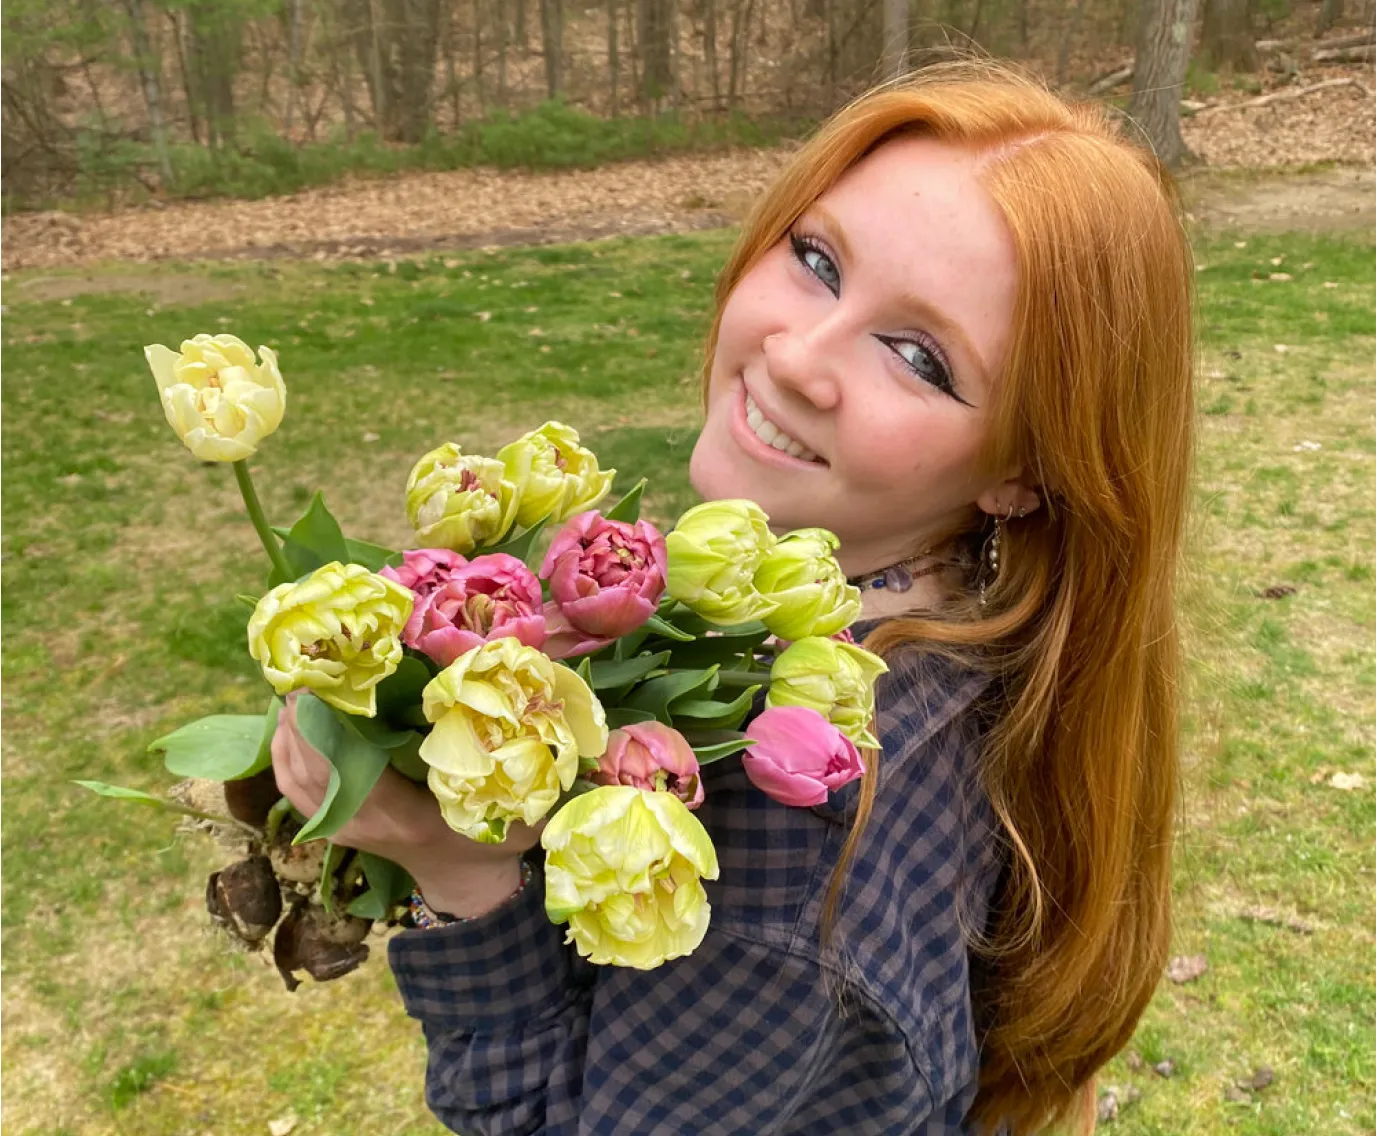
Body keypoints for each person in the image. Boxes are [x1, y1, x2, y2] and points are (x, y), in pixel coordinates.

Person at [271, 61, 1194, 1135]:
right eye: (815, 259)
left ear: (1024, 468)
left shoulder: (781, 829)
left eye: (916, 355)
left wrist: (459, 874)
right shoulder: (949, 642)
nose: (795, 355)